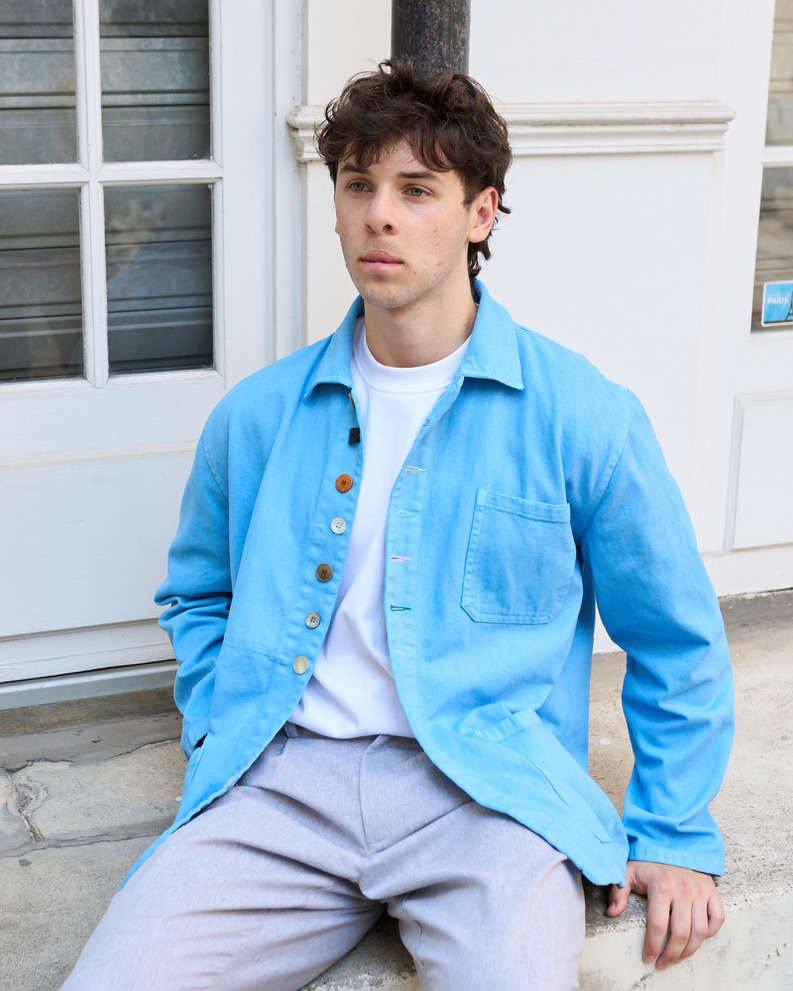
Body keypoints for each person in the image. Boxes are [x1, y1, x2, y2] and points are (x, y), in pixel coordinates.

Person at [62, 60, 734, 991]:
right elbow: (197, 594)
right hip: (281, 788)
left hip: (488, 798)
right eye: (358, 185)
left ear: (480, 213)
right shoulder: (256, 416)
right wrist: (222, 720)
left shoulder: (581, 415)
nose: (379, 215)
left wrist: (672, 830)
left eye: (416, 189)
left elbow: (676, 636)